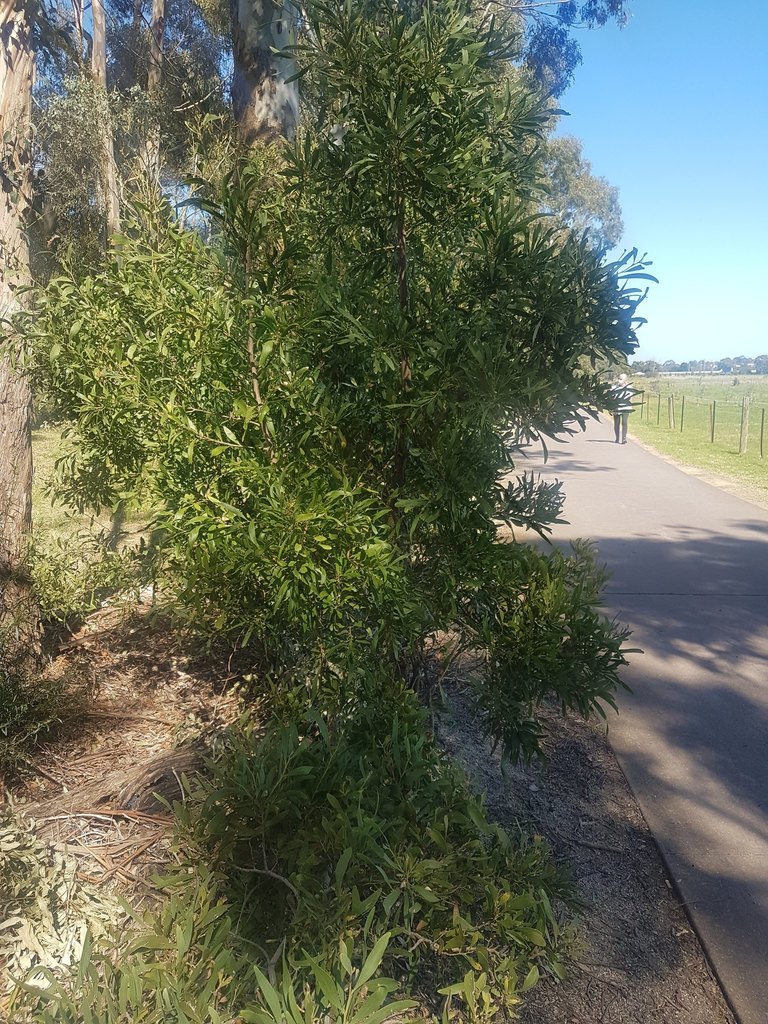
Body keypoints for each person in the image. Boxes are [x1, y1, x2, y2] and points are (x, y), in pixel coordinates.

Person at [611, 373, 635, 444]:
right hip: (616, 408)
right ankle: (617, 438)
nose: (619, 380)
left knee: (624, 422)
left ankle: (624, 438)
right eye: (619, 378)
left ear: (625, 380)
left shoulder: (629, 388)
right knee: (616, 423)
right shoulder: (614, 388)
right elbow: (612, 397)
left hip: (625, 408)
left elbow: (630, 397)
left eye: (621, 379)